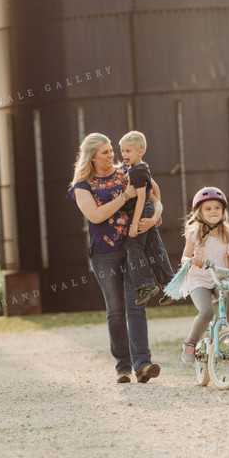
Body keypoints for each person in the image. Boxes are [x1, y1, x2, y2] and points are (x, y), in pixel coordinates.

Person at [68, 133, 163, 384]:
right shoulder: (82, 186)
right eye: (105, 152)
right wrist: (126, 196)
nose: (112, 155)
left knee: (137, 304)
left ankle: (143, 364)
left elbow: (154, 192)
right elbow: (96, 216)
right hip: (104, 254)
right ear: (92, 157)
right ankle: (123, 366)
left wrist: (153, 217)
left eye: (112, 150)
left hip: (133, 249)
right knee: (116, 310)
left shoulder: (127, 172)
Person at [178, 187, 229, 364]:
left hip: (219, 279)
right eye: (208, 208)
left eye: (217, 208)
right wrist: (192, 260)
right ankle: (190, 343)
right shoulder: (194, 233)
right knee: (206, 312)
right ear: (199, 212)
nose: (213, 211)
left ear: (223, 211)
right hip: (199, 280)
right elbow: (184, 258)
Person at [119, 131, 176, 306]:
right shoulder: (142, 167)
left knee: (132, 245)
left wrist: (135, 223)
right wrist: (155, 214)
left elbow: (142, 197)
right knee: (155, 248)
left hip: (141, 210)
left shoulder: (136, 171)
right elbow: (155, 190)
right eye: (122, 151)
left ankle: (145, 285)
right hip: (146, 211)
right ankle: (170, 286)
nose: (124, 155)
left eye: (128, 151)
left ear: (140, 151)